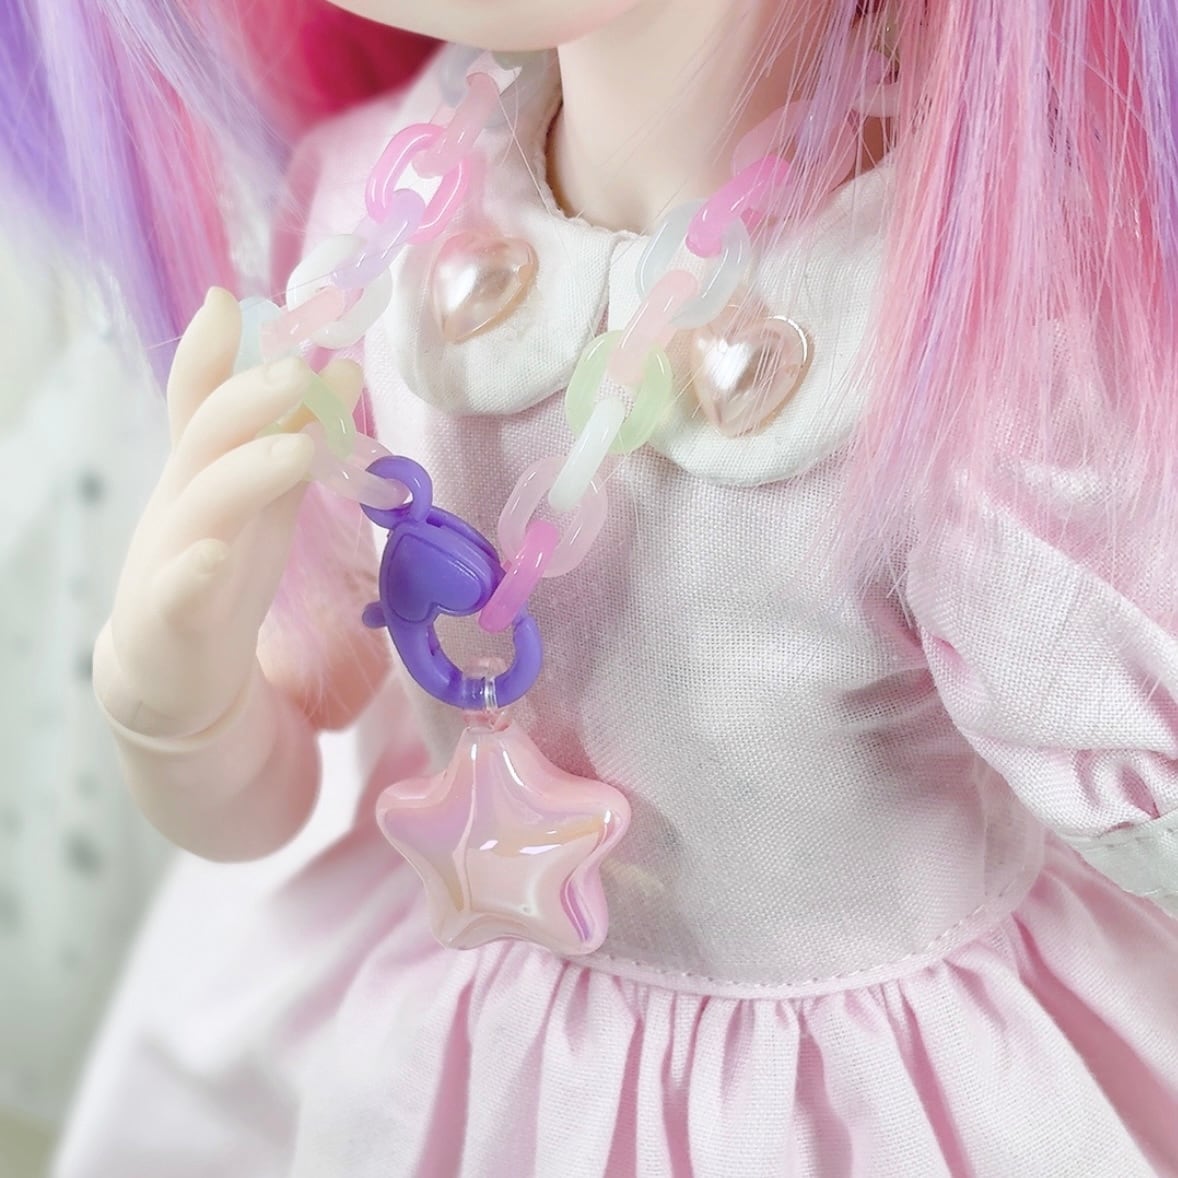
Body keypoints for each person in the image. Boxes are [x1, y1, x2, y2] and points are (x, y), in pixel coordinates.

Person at [7, 0, 1178, 1173]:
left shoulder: (982, 340)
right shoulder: (373, 229)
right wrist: (177, 708)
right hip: (424, 1044)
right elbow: (279, 766)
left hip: (856, 1106)